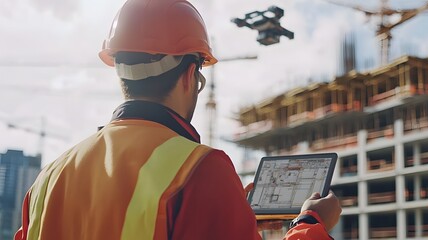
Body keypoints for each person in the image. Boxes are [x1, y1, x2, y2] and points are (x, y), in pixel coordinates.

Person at [14, 0, 341, 239]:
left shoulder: (50, 176)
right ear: (189, 75)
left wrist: (228, 215)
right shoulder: (199, 169)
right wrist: (310, 224)